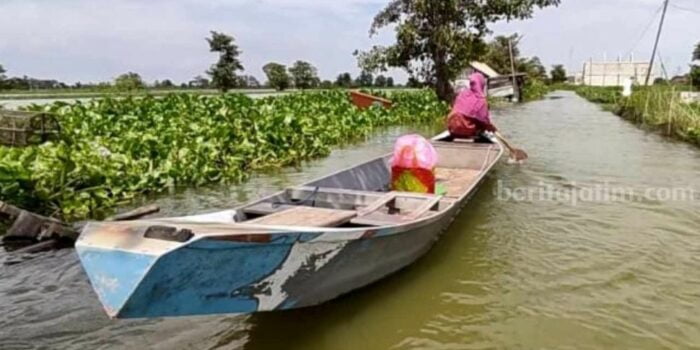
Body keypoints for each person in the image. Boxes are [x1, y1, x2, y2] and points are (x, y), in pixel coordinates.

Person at [446, 72, 497, 142]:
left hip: (452, 128)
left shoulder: (462, 94)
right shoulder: (481, 100)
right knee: (480, 125)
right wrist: (492, 129)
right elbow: (485, 122)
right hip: (467, 130)